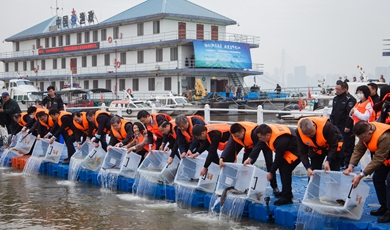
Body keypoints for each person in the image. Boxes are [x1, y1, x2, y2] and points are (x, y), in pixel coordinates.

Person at [343, 121, 390, 223]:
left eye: (362, 138)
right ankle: (385, 206)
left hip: (383, 158)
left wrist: (361, 175)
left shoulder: (385, 137)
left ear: (369, 133)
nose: (361, 140)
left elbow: (377, 159)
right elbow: (359, 149)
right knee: (377, 179)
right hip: (386, 160)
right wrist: (351, 165)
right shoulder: (364, 132)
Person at [244, 124, 301, 205]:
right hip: (287, 149)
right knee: (282, 168)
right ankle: (286, 192)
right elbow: (258, 145)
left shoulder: (280, 141)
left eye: (260, 137)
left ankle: (287, 197)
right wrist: (250, 158)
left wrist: (271, 172)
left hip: (297, 150)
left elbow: (278, 158)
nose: (259, 139)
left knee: (285, 169)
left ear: (268, 135)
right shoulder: (266, 134)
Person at [219, 122, 280, 195]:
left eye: (238, 136)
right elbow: (229, 146)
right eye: (235, 136)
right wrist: (222, 158)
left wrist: (250, 160)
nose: (237, 138)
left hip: (263, 143)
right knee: (244, 166)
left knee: (269, 163)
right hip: (249, 145)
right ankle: (244, 186)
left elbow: (256, 150)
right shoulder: (234, 135)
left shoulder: (254, 133)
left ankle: (274, 187)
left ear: (242, 131)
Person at [330, 81, 356, 168]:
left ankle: (347, 162)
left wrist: (348, 126)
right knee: (338, 144)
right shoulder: (335, 99)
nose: (336, 91)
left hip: (345, 125)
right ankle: (339, 161)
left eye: (338, 89)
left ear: (344, 89)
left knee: (347, 144)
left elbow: (350, 114)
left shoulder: (350, 99)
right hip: (336, 125)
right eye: (336, 89)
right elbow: (333, 112)